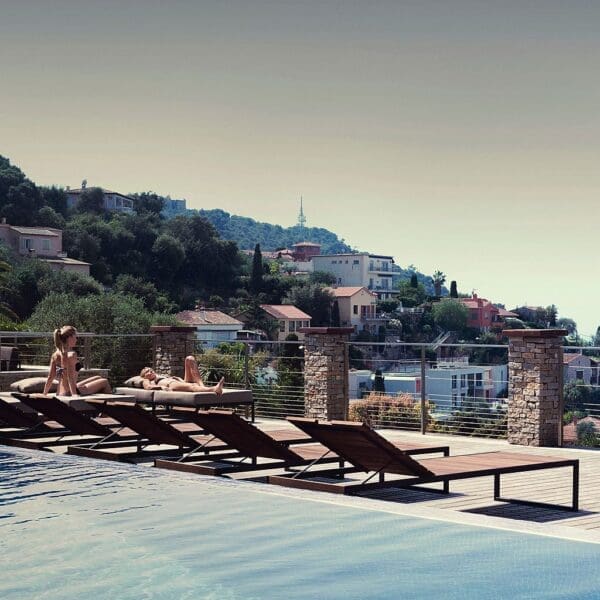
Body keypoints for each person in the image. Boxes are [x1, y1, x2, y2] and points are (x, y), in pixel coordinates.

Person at [43, 325, 112, 396]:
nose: (76, 340)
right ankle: (109, 404)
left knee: (98, 377)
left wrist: (44, 394)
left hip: (61, 391)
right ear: (69, 338)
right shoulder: (71, 355)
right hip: (70, 392)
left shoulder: (55, 354)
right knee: (105, 381)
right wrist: (74, 395)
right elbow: (70, 377)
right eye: (75, 337)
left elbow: (50, 377)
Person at [140, 355, 224, 394]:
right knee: (193, 386)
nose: (150, 371)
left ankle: (202, 386)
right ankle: (214, 389)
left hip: (180, 382)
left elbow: (181, 382)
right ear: (143, 375)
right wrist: (161, 387)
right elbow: (148, 387)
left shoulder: (160, 376)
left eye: (151, 370)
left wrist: (178, 379)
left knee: (189, 359)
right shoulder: (146, 380)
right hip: (171, 385)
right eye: (147, 371)